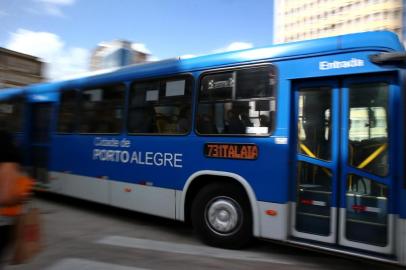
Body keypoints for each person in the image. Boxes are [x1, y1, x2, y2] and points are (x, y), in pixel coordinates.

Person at [0, 130, 31, 266]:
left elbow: (5, 197)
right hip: (5, 221)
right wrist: (22, 197)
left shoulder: (6, 165)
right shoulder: (11, 166)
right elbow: (7, 197)